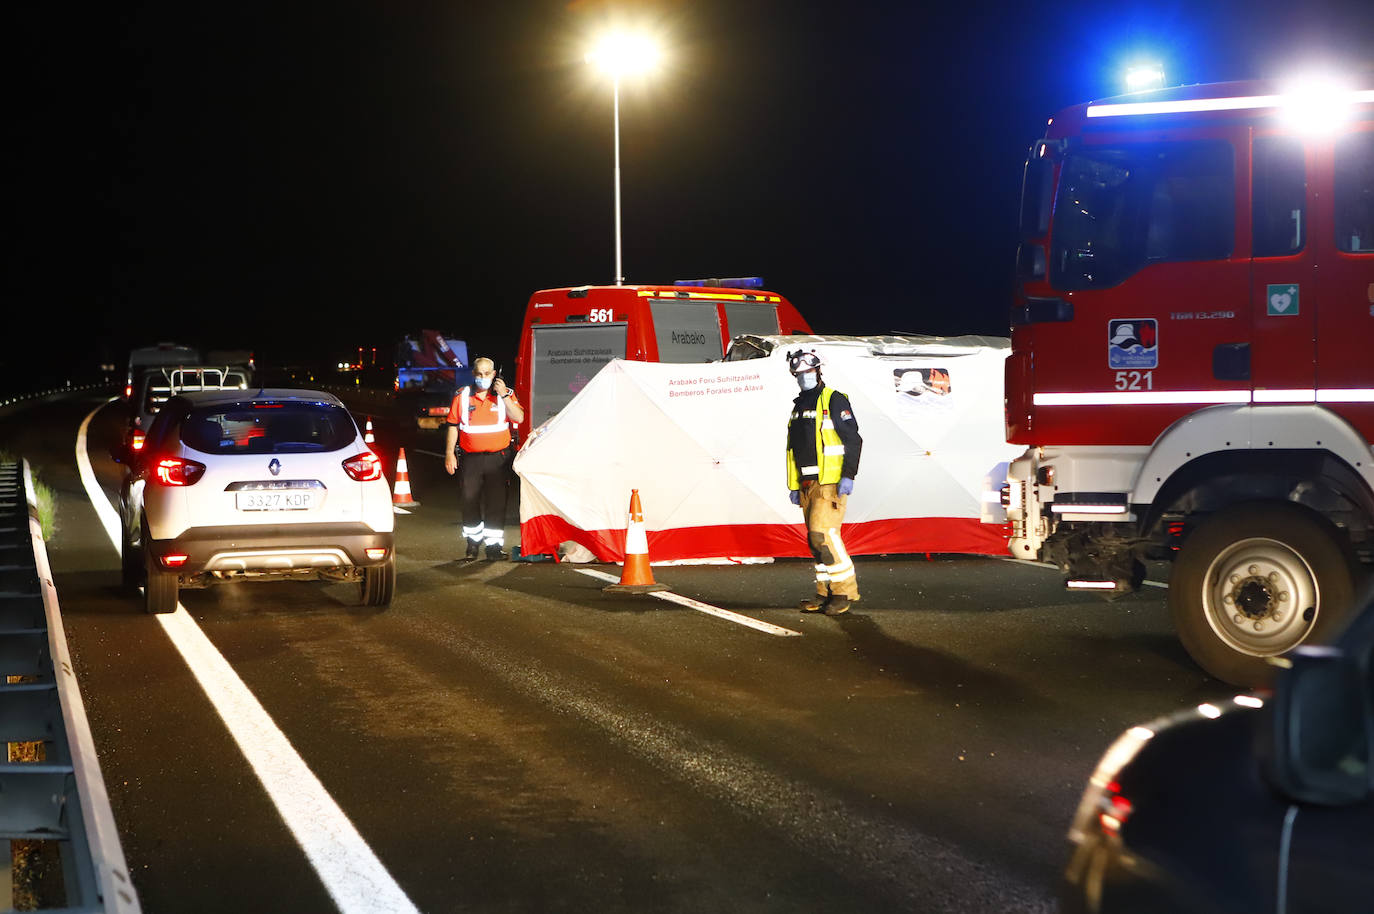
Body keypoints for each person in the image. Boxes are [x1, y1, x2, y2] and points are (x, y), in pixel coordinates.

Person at [785, 349, 862, 614]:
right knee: (814, 542)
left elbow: (853, 439)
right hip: (807, 485)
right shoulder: (798, 406)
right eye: (798, 374)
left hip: (830, 482)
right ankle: (824, 592)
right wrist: (795, 485)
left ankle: (844, 592)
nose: (802, 377)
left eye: (807, 372)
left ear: (818, 371)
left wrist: (848, 475)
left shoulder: (833, 400)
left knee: (824, 537)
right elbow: (793, 449)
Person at [444, 357, 524, 559]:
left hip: (498, 459)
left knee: (497, 503)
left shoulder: (504, 395)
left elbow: (519, 417)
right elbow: (453, 426)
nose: (483, 377)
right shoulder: (462, 396)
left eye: (487, 373)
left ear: (494, 374)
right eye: (479, 373)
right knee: (469, 501)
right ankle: (472, 545)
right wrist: (449, 453)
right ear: (473, 374)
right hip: (471, 459)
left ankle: (494, 548)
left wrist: (504, 394)